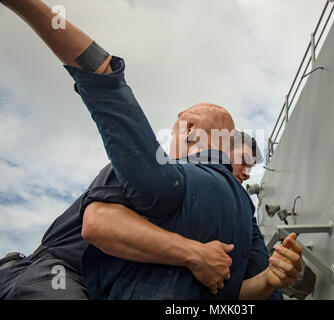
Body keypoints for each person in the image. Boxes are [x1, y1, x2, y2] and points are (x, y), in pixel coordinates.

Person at [0, 0, 302, 300]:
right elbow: (98, 223)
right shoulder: (163, 173)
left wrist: (270, 278)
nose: (247, 172)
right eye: (242, 159)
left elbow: (232, 293)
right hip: (59, 268)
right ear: (192, 132)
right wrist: (194, 254)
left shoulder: (239, 216)